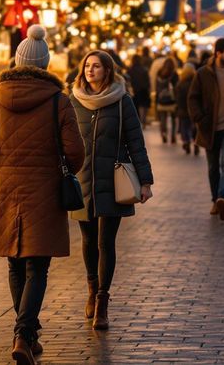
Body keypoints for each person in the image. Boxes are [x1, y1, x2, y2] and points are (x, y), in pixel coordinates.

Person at [0, 24, 85, 363]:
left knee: (15, 264)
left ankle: (27, 335)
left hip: (6, 190)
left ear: (17, 61)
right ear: (46, 64)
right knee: (38, 266)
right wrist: (60, 171)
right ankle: (24, 334)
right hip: (45, 191)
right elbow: (75, 151)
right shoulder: (58, 102)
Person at [70, 50, 154, 330]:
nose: (90, 70)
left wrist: (145, 181)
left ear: (108, 71)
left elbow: (136, 142)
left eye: (96, 66)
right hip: (82, 179)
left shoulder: (121, 101)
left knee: (106, 241)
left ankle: (102, 301)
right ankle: (91, 288)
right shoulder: (73, 100)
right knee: (87, 239)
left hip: (113, 180)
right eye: (87, 66)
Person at [188, 38, 224, 219]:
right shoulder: (203, 73)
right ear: (218, 53)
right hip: (209, 128)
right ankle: (215, 200)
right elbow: (193, 97)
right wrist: (199, 118)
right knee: (213, 167)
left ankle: (223, 198)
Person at [151, 55, 179, 143]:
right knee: (173, 119)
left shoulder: (159, 72)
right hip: (172, 100)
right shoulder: (174, 74)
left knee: (163, 118)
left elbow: (157, 86)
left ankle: (163, 133)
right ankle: (173, 136)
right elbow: (177, 87)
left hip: (161, 99)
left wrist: (157, 98)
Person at [174, 60, 198, 155]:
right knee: (194, 127)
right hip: (194, 109)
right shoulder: (195, 82)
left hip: (183, 109)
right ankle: (195, 142)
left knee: (184, 126)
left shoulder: (180, 83)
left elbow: (177, 97)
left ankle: (186, 141)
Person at [127, 53, 152, 127]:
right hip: (144, 90)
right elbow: (148, 82)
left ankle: (138, 122)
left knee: (135, 107)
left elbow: (128, 82)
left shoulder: (130, 70)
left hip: (134, 91)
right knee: (144, 106)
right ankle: (143, 121)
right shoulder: (144, 69)